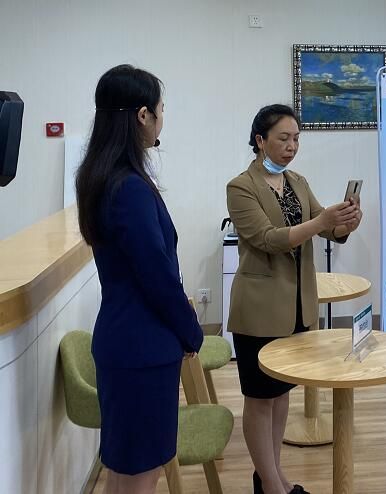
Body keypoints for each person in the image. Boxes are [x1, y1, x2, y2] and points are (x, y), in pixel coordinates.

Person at [75, 64, 204, 494]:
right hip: (142, 349)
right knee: (140, 476)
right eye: (160, 110)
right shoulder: (128, 187)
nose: (162, 119)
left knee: (125, 472)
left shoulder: (99, 177)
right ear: (143, 115)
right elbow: (157, 276)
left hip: (124, 343)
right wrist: (191, 331)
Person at [226, 104, 362, 494]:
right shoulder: (241, 186)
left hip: (297, 307)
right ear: (260, 140)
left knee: (281, 393)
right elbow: (267, 239)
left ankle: (274, 476)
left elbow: (325, 227)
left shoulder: (297, 181)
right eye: (283, 138)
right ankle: (271, 483)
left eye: (297, 139)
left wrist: (345, 224)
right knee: (259, 398)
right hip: (259, 309)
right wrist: (322, 222)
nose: (292, 146)